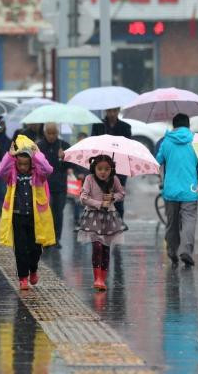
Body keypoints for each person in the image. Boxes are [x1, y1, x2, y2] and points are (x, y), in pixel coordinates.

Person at [0, 135, 55, 290]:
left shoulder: (38, 175)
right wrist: (9, 155)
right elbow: (1, 171)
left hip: (35, 217)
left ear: (31, 163)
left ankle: (33, 269)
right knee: (20, 249)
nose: (22, 167)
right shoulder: (12, 175)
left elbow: (48, 169)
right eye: (19, 164)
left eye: (25, 164)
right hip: (17, 216)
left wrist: (37, 154)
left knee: (35, 248)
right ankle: (23, 277)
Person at [156, 113, 198, 267]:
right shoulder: (195, 141)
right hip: (190, 191)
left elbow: (157, 161)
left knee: (172, 223)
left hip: (170, 191)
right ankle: (186, 250)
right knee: (189, 221)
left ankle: (172, 250)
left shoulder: (166, 141)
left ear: (174, 126)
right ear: (188, 125)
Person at [77, 155, 125, 291]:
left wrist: (113, 197)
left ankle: (102, 278)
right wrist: (99, 203)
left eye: (107, 169)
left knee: (105, 248)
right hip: (93, 217)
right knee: (97, 246)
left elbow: (122, 193)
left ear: (111, 169)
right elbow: (83, 197)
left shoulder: (114, 179)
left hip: (109, 217)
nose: (103, 172)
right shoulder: (89, 179)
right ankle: (97, 278)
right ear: (94, 168)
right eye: (100, 169)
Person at [91, 107, 131, 231]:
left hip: (119, 167)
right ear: (106, 111)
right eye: (109, 111)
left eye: (114, 111)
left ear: (118, 111)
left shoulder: (125, 127)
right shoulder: (98, 126)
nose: (112, 114)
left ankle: (118, 222)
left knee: (117, 197)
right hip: (102, 167)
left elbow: (128, 146)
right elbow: (93, 144)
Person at [37, 123, 70, 248]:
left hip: (60, 186)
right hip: (44, 186)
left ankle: (56, 238)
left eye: (54, 133)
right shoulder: (39, 146)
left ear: (57, 132)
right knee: (46, 213)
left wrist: (64, 158)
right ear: (45, 133)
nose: (51, 136)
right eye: (49, 133)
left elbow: (71, 166)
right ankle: (46, 238)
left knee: (58, 212)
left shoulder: (64, 146)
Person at [71, 132, 89, 231]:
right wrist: (77, 175)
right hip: (77, 183)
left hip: (88, 183)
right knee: (77, 203)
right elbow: (71, 169)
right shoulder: (74, 154)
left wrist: (85, 176)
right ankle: (77, 221)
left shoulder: (91, 155)